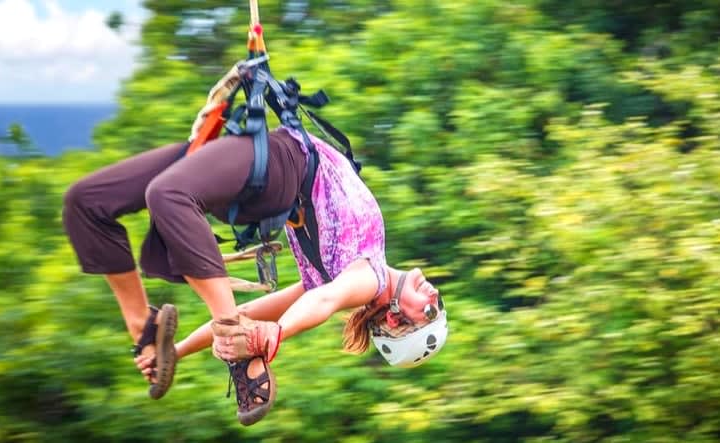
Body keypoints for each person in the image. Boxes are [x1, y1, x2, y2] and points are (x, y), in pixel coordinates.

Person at [62, 126, 448, 426]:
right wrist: (174, 351)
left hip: (279, 165)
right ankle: (143, 329)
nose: (433, 296)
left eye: (428, 312)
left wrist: (271, 335)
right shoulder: (334, 274)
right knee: (87, 202)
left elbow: (322, 302)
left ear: (395, 318)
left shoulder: (370, 279)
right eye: (439, 304)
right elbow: (267, 309)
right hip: (266, 156)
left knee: (167, 195)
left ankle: (220, 334)